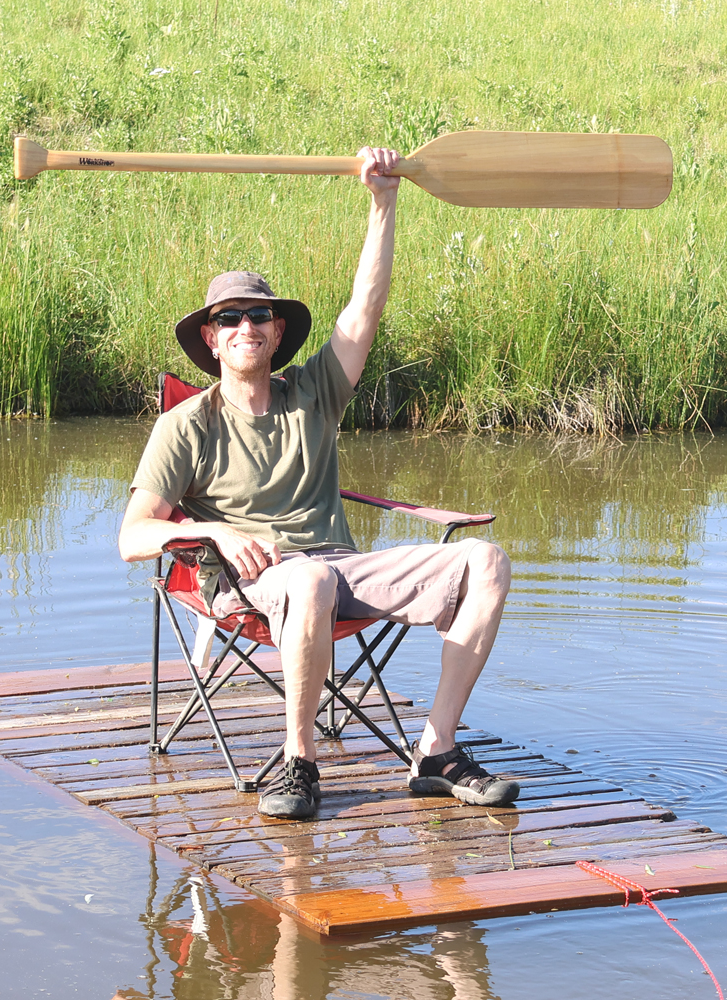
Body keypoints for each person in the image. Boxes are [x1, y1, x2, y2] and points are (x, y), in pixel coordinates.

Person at [118, 146, 516, 820]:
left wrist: (382, 202)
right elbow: (133, 538)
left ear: (277, 332)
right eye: (229, 319)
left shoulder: (313, 391)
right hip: (254, 582)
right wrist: (213, 527)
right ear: (211, 341)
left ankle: (438, 753)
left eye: (257, 317)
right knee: (308, 580)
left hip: (341, 568)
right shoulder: (186, 425)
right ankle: (299, 762)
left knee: (485, 561)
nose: (245, 327)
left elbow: (366, 303)